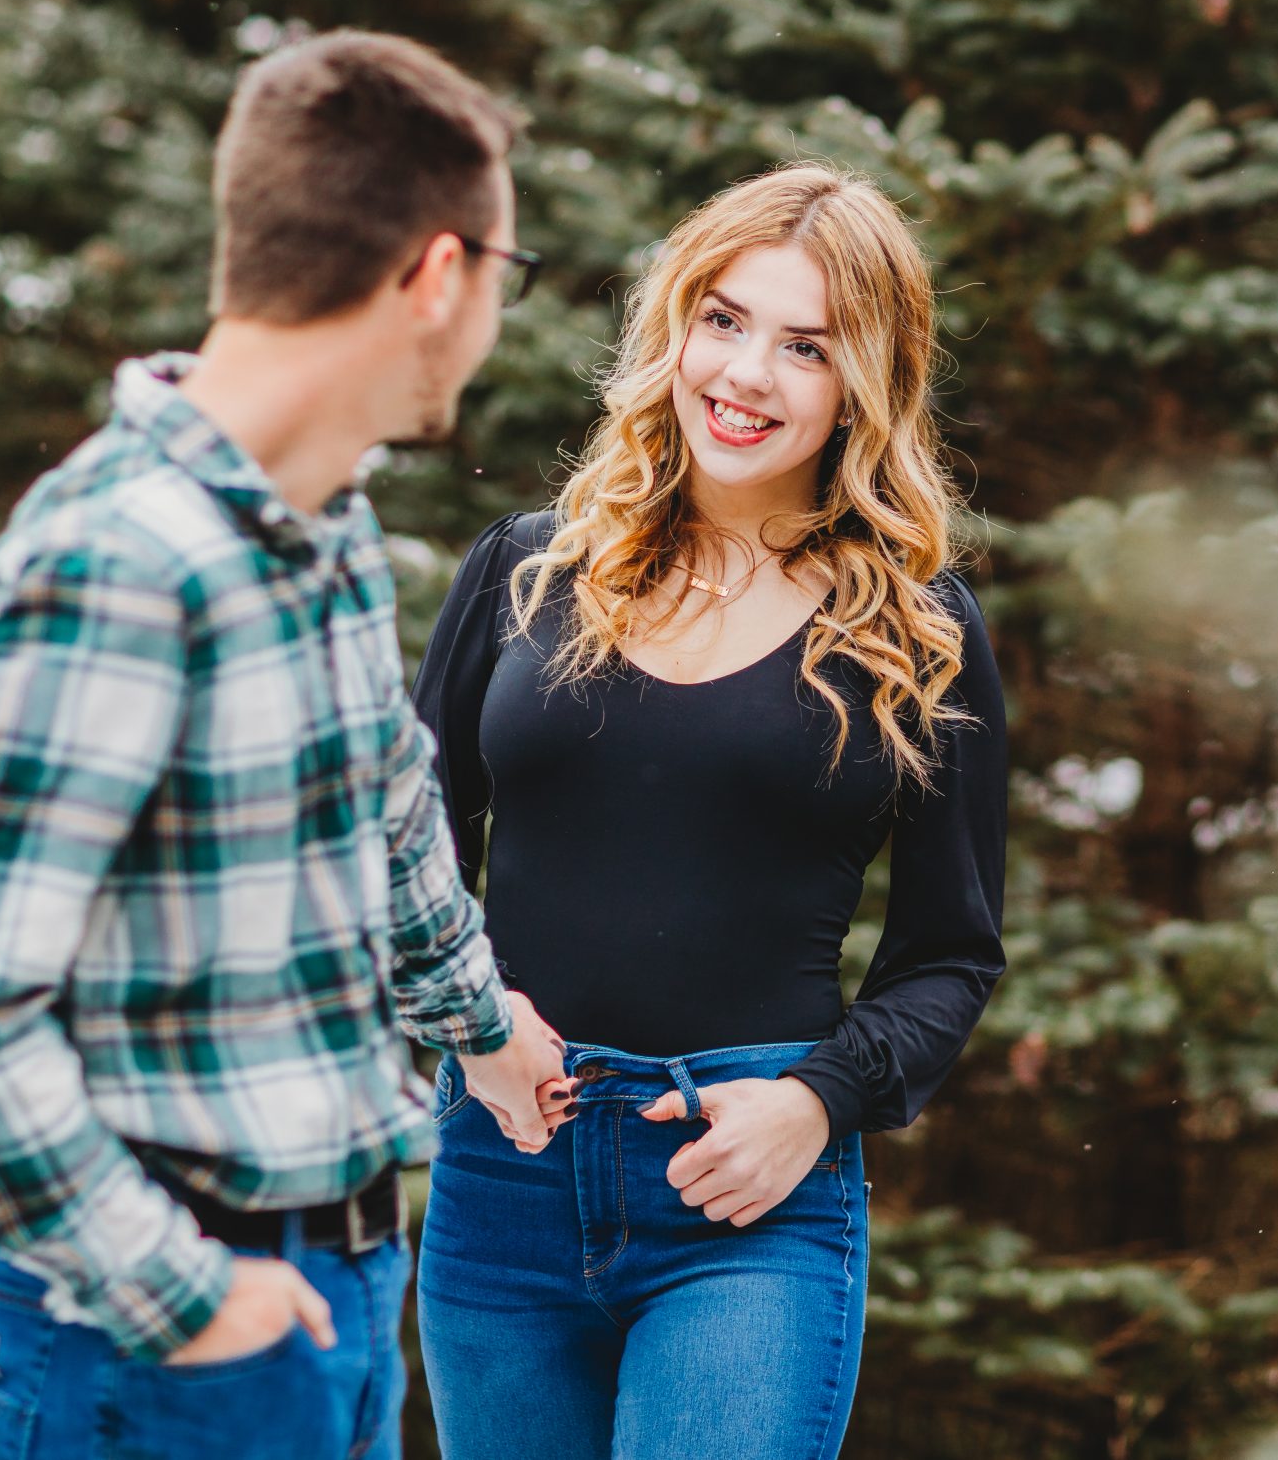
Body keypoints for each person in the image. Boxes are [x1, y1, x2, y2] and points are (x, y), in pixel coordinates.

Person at [0, 29, 574, 1460]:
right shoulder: (116, 563)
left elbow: (383, 813)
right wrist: (177, 1296)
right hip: (167, 1332)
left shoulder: (322, 521)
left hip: (341, 1284)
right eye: (504, 274)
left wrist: (484, 1029)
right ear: (437, 275)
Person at [408, 159, 1010, 1460]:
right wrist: (472, 1017)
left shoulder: (918, 633)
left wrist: (816, 1102)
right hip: (503, 1172)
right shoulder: (524, 572)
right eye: (724, 320)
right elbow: (397, 854)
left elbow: (950, 953)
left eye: (806, 347)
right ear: (673, 323)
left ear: (864, 383)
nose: (745, 376)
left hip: (748, 1193)